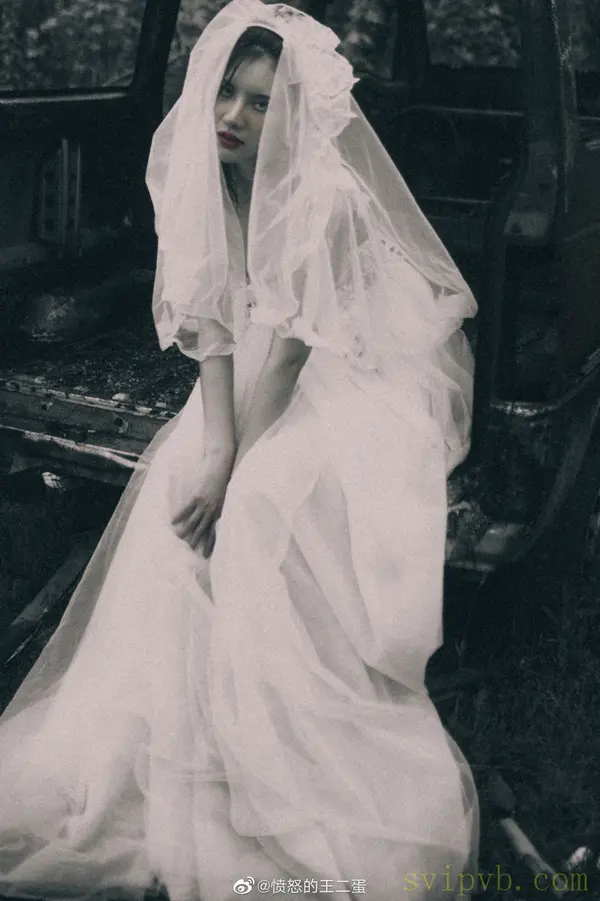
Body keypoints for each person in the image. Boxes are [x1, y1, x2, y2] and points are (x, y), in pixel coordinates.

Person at [0, 1, 479, 899]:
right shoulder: (205, 176)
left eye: (261, 103)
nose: (233, 116)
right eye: (228, 92)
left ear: (290, 112)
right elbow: (215, 331)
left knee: (259, 503)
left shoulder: (324, 195)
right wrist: (217, 447)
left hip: (347, 364)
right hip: (258, 360)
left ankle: (274, 736)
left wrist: (243, 468)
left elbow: (293, 355)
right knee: (181, 475)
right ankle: (178, 722)